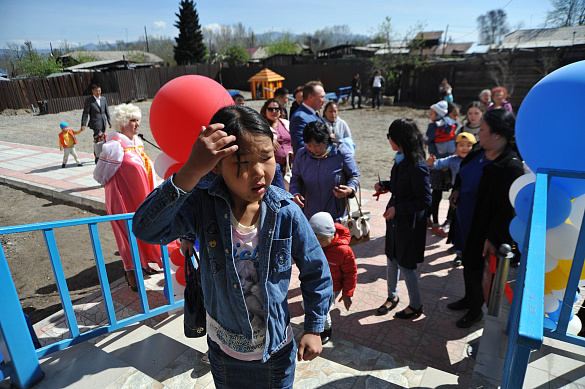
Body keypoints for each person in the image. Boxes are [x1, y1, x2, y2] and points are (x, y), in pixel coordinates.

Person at [132, 105, 333, 388]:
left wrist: (314, 327)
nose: (259, 172)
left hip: (276, 353)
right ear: (216, 165)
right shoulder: (202, 205)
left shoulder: (285, 211)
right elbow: (145, 228)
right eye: (243, 163)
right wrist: (190, 170)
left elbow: (316, 270)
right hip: (225, 356)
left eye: (266, 157)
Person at [447, 109, 524, 328]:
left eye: (482, 129)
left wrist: (493, 236)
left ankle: (475, 310)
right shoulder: (478, 152)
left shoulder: (510, 167)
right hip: (465, 220)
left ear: (497, 135)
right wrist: (457, 189)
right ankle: (468, 298)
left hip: (483, 229)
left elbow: (506, 210)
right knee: (467, 264)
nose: (478, 133)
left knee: (476, 268)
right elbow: (463, 174)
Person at [93, 103, 162, 291]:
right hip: (123, 200)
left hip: (141, 198)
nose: (136, 124)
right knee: (127, 235)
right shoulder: (114, 146)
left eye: (138, 120)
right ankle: (131, 272)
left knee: (143, 230)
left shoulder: (137, 143)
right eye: (132, 120)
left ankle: (145, 265)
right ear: (122, 122)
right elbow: (100, 176)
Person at [375, 118, 431, 320]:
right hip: (396, 221)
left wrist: (398, 210)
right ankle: (392, 296)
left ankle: (416, 305)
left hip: (408, 224)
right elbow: (402, 186)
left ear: (398, 139)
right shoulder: (401, 158)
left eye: (390, 136)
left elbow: (425, 200)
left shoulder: (417, 165)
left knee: (407, 266)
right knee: (391, 258)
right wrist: (386, 185)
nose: (388, 140)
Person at [290, 121, 359, 222]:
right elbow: (295, 179)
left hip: (336, 216)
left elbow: (354, 175)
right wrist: (295, 193)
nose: (313, 149)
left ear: (326, 141)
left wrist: (350, 189)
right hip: (310, 215)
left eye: (317, 145)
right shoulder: (302, 155)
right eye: (309, 145)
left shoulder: (341, 153)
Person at [426, 132, 477, 259]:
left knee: (467, 223)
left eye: (469, 145)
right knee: (456, 222)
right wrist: (431, 163)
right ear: (455, 147)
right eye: (461, 145)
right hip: (458, 192)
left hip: (472, 194)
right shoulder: (453, 160)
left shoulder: (476, 161)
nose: (465, 148)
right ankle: (457, 246)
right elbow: (438, 164)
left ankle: (463, 251)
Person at [309, 212, 357, 345]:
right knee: (309, 305)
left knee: (322, 310)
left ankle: (326, 330)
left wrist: (347, 293)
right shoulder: (312, 244)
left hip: (333, 288)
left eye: (323, 240)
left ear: (332, 234)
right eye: (316, 239)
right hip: (314, 284)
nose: (319, 244)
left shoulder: (344, 251)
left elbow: (350, 273)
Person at [289, 81, 327, 154]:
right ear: (310, 97)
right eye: (322, 97)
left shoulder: (315, 113)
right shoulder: (300, 118)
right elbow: (300, 147)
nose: (324, 100)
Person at [260, 98, 292, 175]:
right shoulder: (262, 126)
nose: (274, 111)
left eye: (277, 109)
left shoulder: (287, 123)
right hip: (273, 167)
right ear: (265, 111)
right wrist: (269, 141)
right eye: (270, 109)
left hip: (290, 165)